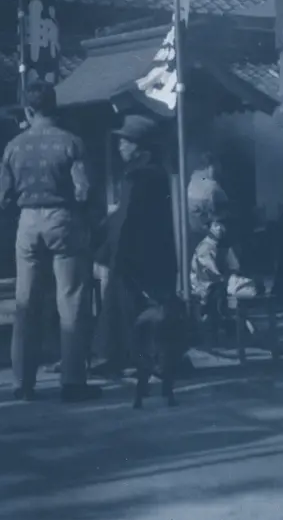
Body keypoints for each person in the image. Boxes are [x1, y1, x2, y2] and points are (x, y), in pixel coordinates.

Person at [0, 82, 97, 402]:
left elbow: (3, 197)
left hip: (27, 222)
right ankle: (73, 382)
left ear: (28, 111)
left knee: (26, 303)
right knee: (71, 299)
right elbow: (83, 189)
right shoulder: (71, 142)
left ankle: (23, 383)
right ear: (55, 107)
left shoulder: (14, 146)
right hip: (63, 219)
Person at [95, 114, 178, 378]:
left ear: (140, 146)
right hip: (148, 251)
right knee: (127, 306)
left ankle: (138, 359)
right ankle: (130, 358)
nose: (120, 146)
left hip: (136, 253)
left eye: (126, 141)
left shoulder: (140, 175)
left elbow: (127, 219)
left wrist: (112, 253)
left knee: (132, 307)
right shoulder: (151, 172)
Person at [190, 214, 243, 344]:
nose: (220, 228)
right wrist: (224, 279)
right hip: (204, 287)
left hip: (220, 285)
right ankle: (215, 330)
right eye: (217, 225)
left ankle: (232, 327)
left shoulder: (224, 246)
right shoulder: (205, 247)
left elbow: (234, 266)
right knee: (217, 299)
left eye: (222, 225)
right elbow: (210, 272)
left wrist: (232, 276)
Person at [187, 152, 228, 241]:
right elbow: (222, 213)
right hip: (209, 235)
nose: (219, 170)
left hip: (194, 232)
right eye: (216, 167)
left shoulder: (193, 180)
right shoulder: (213, 188)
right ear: (208, 167)